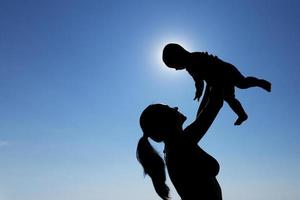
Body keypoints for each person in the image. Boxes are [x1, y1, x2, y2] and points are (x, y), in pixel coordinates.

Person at [137, 87, 224, 200]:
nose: (176, 107)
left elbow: (203, 112)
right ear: (165, 122)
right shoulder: (180, 144)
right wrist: (216, 77)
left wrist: (208, 84)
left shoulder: (175, 145)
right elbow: (215, 104)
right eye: (169, 109)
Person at [162, 43, 271, 125]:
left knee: (243, 83)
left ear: (179, 56)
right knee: (229, 99)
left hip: (226, 71)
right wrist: (198, 91)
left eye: (174, 66)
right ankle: (242, 115)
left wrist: (204, 90)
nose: (176, 69)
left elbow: (205, 75)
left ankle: (259, 82)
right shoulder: (190, 67)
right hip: (219, 82)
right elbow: (198, 81)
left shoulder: (195, 58)